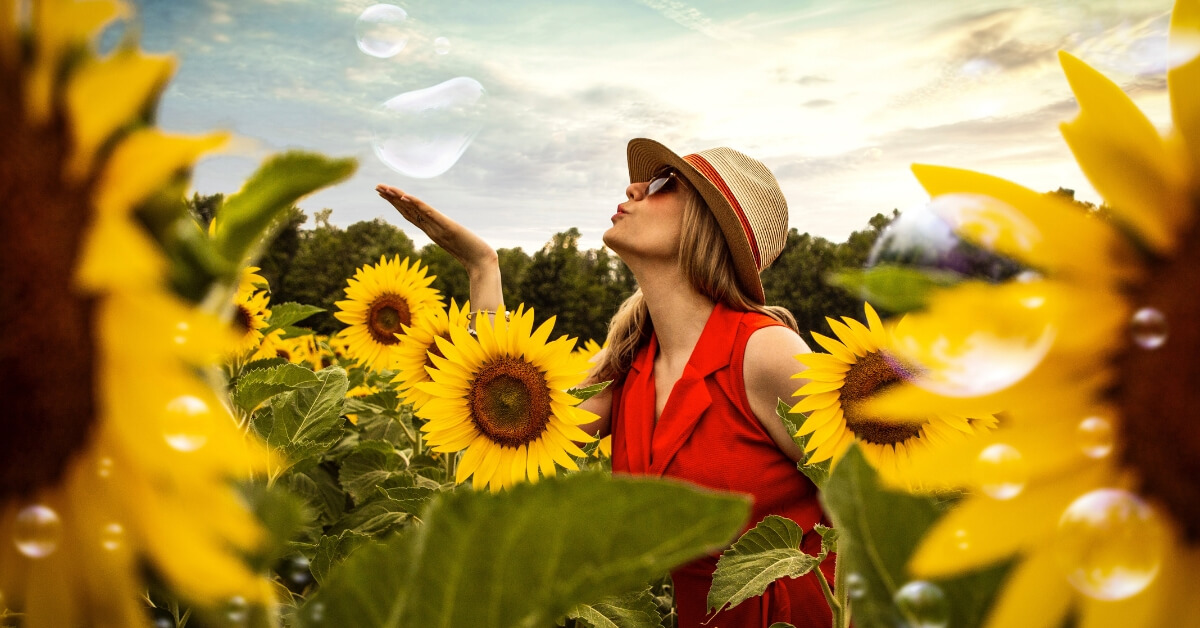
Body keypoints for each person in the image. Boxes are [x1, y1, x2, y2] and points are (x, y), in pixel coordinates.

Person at [377, 138, 833, 628]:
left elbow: (867, 506)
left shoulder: (765, 353)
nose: (634, 187)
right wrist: (482, 267)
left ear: (706, 225)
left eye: (663, 183)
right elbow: (510, 417)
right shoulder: (630, 366)